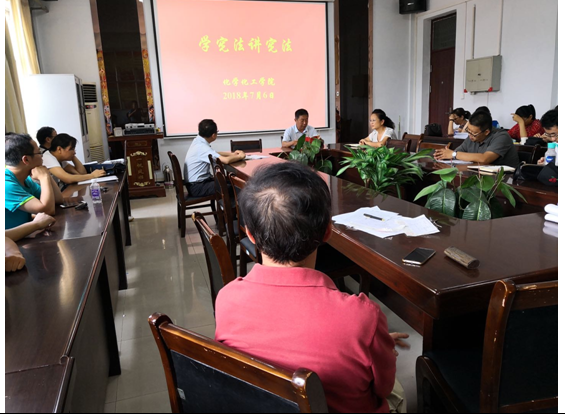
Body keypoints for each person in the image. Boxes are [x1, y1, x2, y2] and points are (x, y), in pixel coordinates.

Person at [215, 162, 409, 413]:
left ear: (250, 234)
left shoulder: (226, 299)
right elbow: (382, 389)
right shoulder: (362, 318)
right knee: (398, 393)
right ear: (327, 232)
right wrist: (371, 343)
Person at [5, 133, 63, 229]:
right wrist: (44, 177)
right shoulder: (6, 184)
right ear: (26, 159)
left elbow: (58, 200)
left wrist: (47, 175)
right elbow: (48, 210)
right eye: (39, 153)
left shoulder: (26, 180)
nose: (42, 156)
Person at [434, 111, 520, 168]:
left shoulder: (501, 136)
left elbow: (485, 159)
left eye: (474, 133)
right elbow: (459, 153)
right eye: (468, 130)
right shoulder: (472, 136)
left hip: (506, 180)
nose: (470, 135)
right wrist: (443, 155)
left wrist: (453, 154)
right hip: (479, 176)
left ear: (486, 132)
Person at [184, 119, 246, 197]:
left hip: (197, 183)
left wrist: (232, 154)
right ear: (213, 135)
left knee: (232, 182)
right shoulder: (202, 147)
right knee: (235, 187)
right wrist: (240, 156)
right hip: (197, 187)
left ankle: (229, 204)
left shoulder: (198, 141)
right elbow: (225, 161)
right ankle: (233, 205)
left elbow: (214, 153)